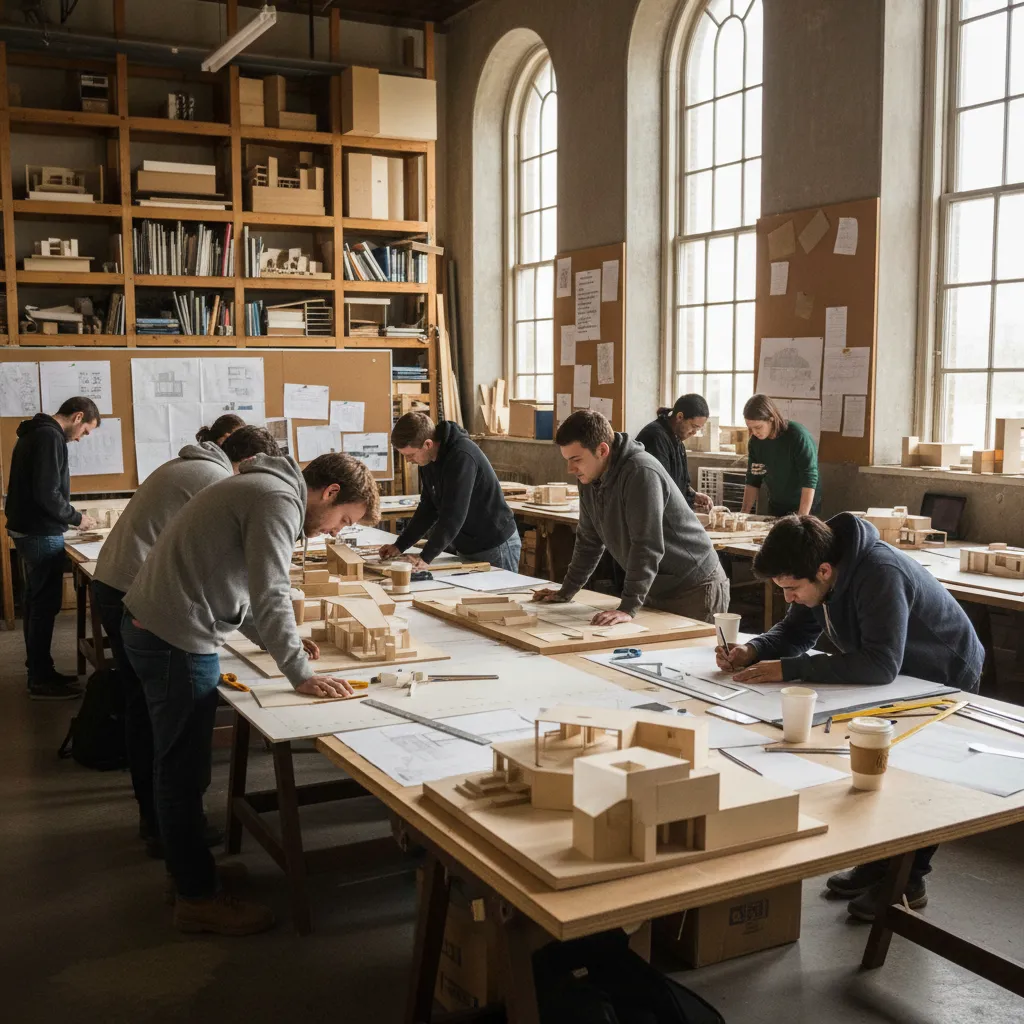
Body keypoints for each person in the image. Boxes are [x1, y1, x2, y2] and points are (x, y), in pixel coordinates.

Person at [121, 452, 379, 935]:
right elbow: (271, 589)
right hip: (175, 637)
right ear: (329, 494)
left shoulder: (264, 489)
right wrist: (298, 672)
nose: (336, 532)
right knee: (183, 772)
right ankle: (197, 899)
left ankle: (188, 875)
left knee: (179, 768)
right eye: (342, 520)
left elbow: (244, 589)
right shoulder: (279, 500)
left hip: (163, 627)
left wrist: (275, 642)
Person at [716, 513, 984, 921]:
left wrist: (789, 669)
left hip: (943, 673)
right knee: (877, 770)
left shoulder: (879, 572)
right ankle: (880, 866)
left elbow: (880, 664)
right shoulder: (821, 566)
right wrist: (753, 650)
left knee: (915, 778)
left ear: (823, 571)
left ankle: (908, 879)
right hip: (900, 677)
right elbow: (794, 632)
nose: (788, 597)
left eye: (791, 589)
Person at [91, 426, 280, 857]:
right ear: (248, 466)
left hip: (120, 584)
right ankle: (169, 827)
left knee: (145, 707)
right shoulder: (214, 480)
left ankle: (156, 818)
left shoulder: (189, 464)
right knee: (165, 720)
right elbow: (228, 562)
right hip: (139, 595)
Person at [533, 410, 729, 624]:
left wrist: (628, 606)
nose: (570, 469)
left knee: (685, 656)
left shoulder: (640, 471)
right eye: (567, 460)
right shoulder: (588, 476)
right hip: (656, 585)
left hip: (693, 587)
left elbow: (647, 544)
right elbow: (589, 539)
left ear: (602, 450)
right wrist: (566, 591)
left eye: (576, 459)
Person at [4, 397, 101, 699]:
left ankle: (39, 671)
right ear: (78, 416)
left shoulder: (37, 432)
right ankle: (41, 680)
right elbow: (47, 493)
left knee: (35, 605)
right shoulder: (49, 437)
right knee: (44, 607)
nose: (82, 438)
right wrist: (77, 519)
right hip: (39, 531)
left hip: (28, 528)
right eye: (85, 430)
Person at [379, 412, 521, 572]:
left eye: (410, 455)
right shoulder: (427, 461)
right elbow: (428, 508)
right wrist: (400, 545)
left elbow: (454, 514)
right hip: (467, 544)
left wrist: (426, 557)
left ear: (427, 444)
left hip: (495, 544)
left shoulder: (462, 456)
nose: (408, 461)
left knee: (500, 595)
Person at [740, 394, 820, 516]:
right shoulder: (756, 442)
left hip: (804, 504)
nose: (754, 432)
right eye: (750, 428)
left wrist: (802, 517)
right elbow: (753, 479)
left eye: (758, 427)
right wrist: (743, 513)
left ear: (771, 419)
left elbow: (809, 478)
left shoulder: (797, 436)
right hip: (776, 504)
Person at [635, 394, 713, 511]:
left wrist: (692, 496)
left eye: (698, 429)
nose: (694, 433)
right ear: (680, 417)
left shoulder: (677, 439)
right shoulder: (655, 437)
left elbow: (679, 483)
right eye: (693, 426)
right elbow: (660, 488)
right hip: (653, 512)